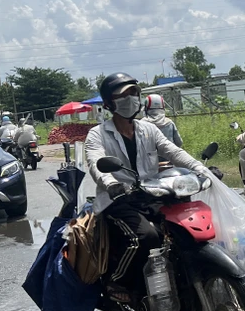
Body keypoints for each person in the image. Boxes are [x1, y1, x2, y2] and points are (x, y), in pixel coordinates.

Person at [86, 73, 208, 289]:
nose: (131, 98)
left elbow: (172, 151)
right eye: (123, 95)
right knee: (146, 237)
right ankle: (118, 284)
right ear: (108, 103)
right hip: (118, 200)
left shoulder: (148, 129)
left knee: (184, 229)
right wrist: (111, 184)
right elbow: (96, 162)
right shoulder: (97, 134)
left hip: (151, 193)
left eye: (134, 93)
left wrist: (200, 168)